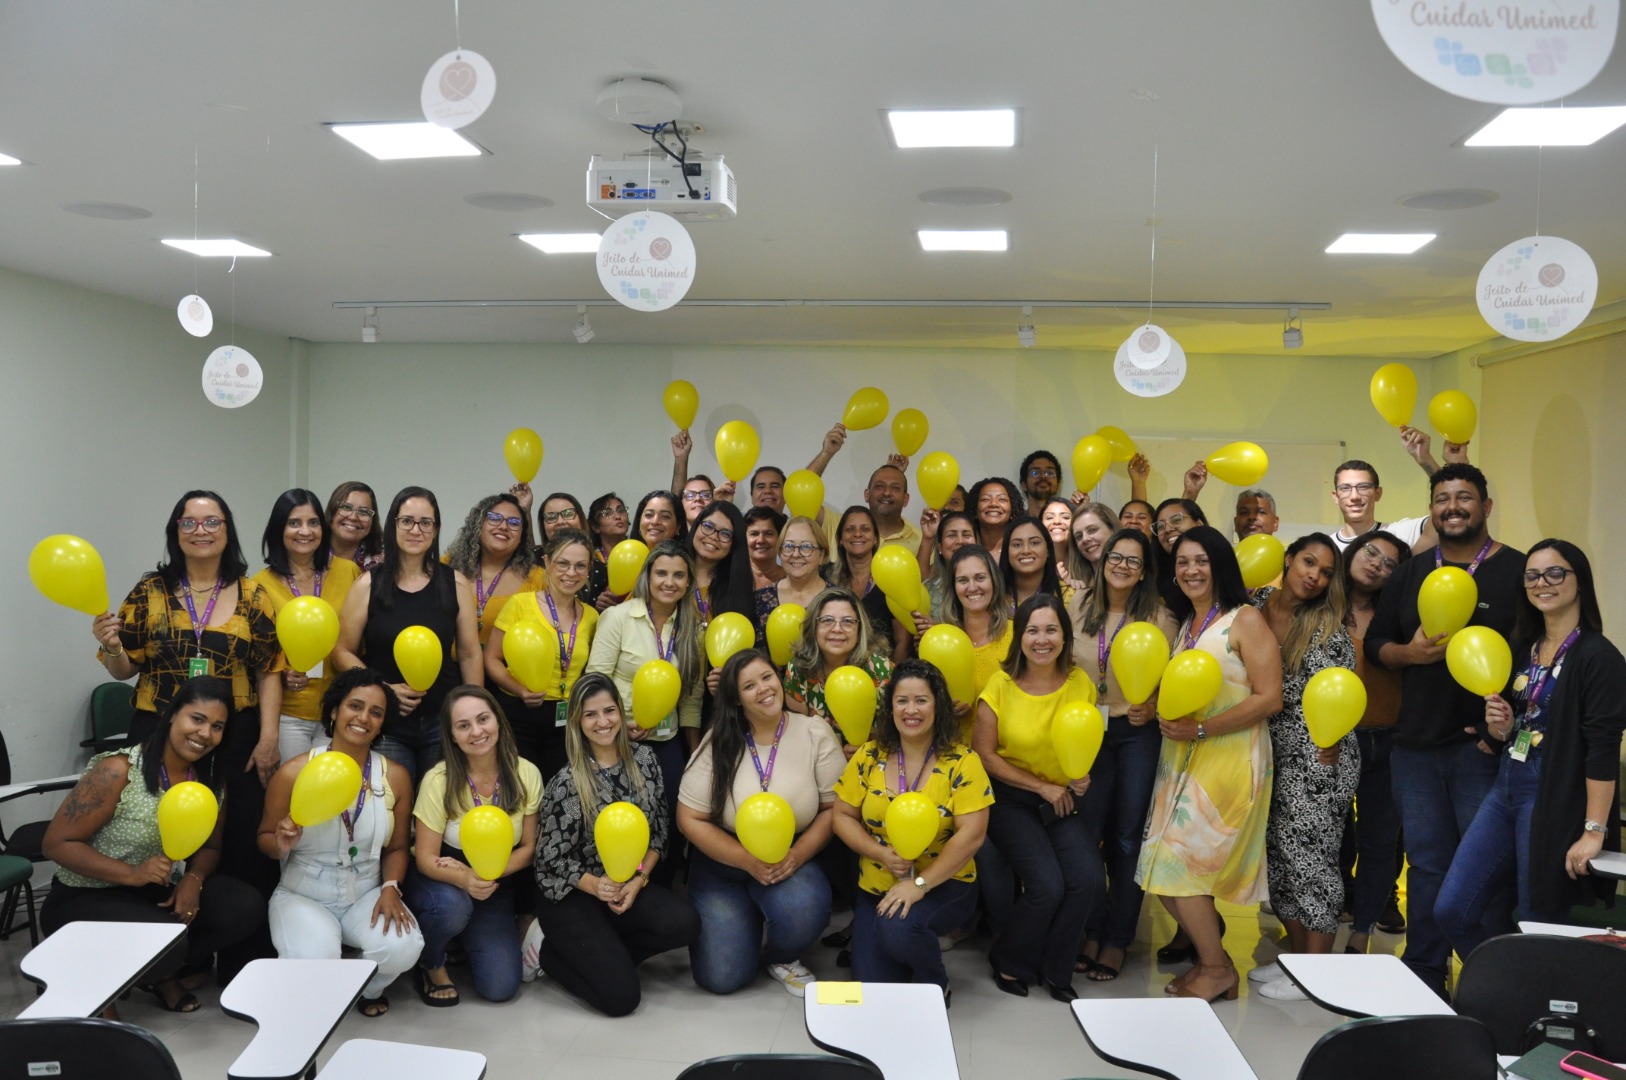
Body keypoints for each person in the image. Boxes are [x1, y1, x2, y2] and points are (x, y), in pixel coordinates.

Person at [90, 489, 284, 954]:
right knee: (157, 837)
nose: (201, 531)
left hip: (232, 734)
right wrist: (112, 647)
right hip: (158, 730)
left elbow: (270, 670)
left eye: (212, 521)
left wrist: (269, 738)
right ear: (175, 531)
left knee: (236, 837)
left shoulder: (254, 594)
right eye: (189, 522)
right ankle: (168, 957)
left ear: (227, 531)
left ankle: (237, 953)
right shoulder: (149, 591)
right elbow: (123, 668)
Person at [1365, 463, 1523, 996]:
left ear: (1486, 506)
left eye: (1464, 497)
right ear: (1431, 509)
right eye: (1442, 498)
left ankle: (1490, 983)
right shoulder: (1410, 573)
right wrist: (1408, 653)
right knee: (1427, 866)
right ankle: (1425, 975)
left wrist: (1494, 733)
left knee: (1484, 870)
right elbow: (1376, 645)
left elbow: (1532, 656)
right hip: (1413, 746)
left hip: (1484, 749)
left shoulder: (1516, 571)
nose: (1452, 507)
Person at [1437, 541, 1626, 951]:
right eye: (1533, 576)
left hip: (1553, 795)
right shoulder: (1527, 647)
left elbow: (1602, 750)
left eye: (1555, 573)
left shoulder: (1599, 657)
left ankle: (1537, 989)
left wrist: (1594, 831)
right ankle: (1506, 983)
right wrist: (1504, 727)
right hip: (1506, 784)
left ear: (1580, 580)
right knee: (1452, 910)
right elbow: (1529, 722)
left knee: (1538, 920)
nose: (1542, 583)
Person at [40, 677, 265, 1014]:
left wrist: (193, 880)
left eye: (217, 726)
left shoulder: (210, 782)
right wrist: (130, 873)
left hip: (154, 891)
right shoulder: (118, 770)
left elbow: (211, 847)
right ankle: (97, 977)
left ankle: (157, 970)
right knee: (166, 945)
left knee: (243, 907)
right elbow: (56, 843)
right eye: (197, 719)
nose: (205, 733)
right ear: (172, 715)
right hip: (86, 894)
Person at [1136, 526, 1282, 1004]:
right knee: (1158, 869)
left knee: (1180, 867)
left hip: (1228, 759)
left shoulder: (1245, 619)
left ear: (1220, 566)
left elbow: (1270, 698)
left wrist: (1202, 730)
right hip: (1182, 758)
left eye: (1201, 560)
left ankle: (1218, 969)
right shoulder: (1188, 624)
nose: (1191, 570)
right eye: (1182, 562)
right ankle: (1209, 962)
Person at [678, 649, 845, 996]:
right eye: (749, 686)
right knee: (721, 978)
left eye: (767, 677)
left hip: (788, 856)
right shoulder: (719, 739)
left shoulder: (814, 732)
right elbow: (689, 818)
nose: (764, 689)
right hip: (725, 861)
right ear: (736, 700)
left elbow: (834, 809)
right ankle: (743, 920)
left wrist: (797, 855)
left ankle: (780, 956)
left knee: (805, 905)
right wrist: (746, 861)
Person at [259, 669, 423, 1017]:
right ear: (334, 710)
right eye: (355, 706)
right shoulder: (294, 772)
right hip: (304, 895)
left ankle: (366, 989)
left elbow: (396, 848)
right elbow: (265, 839)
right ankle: (326, 975)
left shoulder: (395, 776)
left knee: (404, 947)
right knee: (315, 966)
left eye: (375, 712)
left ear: (382, 724)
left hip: (365, 894)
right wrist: (281, 843)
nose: (363, 718)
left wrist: (391, 888)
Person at [533, 673, 700, 1016]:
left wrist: (638, 880)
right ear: (577, 722)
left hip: (627, 881)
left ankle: (607, 955)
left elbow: (659, 833)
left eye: (609, 711)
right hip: (575, 892)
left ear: (621, 713)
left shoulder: (646, 760)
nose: (602, 721)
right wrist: (597, 886)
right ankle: (552, 956)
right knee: (621, 999)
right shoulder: (568, 782)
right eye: (590, 714)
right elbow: (550, 861)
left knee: (686, 923)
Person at [833, 659, 992, 995]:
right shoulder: (869, 755)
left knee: (898, 929)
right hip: (878, 884)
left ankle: (935, 983)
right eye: (902, 701)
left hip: (944, 883)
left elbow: (972, 835)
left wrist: (920, 884)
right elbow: (842, 816)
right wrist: (879, 852)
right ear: (890, 708)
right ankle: (903, 946)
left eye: (921, 700)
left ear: (938, 706)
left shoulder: (964, 761)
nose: (911, 710)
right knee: (873, 986)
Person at [1248, 533, 1359, 1001]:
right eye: (1308, 563)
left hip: (1318, 757)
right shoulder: (1255, 605)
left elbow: (1342, 694)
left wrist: (1328, 741)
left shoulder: (1327, 627)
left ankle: (1317, 975)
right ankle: (1298, 963)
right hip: (1268, 754)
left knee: (1311, 865)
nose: (1315, 576)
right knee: (1280, 864)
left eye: (1326, 571)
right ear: (1288, 559)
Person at [973, 594, 1099, 1001]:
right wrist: (1041, 786)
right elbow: (984, 755)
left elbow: (1083, 740)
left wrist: (1082, 777)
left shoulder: (1081, 684)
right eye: (1032, 630)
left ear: (1064, 635)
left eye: (1051, 630)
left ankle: (1057, 969)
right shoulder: (1000, 685)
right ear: (1019, 638)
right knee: (1047, 885)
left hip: (1062, 799)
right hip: (1011, 799)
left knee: (1087, 879)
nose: (1042, 640)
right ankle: (1009, 960)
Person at [1070, 528, 1176, 982]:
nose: (1122, 566)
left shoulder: (1160, 617)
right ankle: (1090, 930)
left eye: (1134, 560)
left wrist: (1153, 703)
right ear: (1103, 559)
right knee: (1087, 833)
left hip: (1137, 733)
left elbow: (1174, 677)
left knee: (1128, 838)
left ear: (1145, 571)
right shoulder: (1076, 605)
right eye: (1116, 556)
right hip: (1086, 732)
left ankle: (1117, 938)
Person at [333, 486, 483, 780]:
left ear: (436, 529)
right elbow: (342, 650)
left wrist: (473, 710)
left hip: (443, 720)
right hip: (386, 721)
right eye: (407, 521)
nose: (416, 530)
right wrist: (383, 689)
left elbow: (469, 653)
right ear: (393, 525)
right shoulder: (368, 584)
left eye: (425, 522)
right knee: (391, 801)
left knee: (441, 801)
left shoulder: (455, 584)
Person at [406, 686, 542, 1005]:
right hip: (442, 879)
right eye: (463, 725)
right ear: (452, 736)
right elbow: (425, 857)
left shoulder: (526, 773)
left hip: (494, 882)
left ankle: (463, 940)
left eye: (483, 719)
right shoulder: (438, 779)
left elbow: (528, 848)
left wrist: (485, 876)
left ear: (498, 721)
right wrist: (465, 878)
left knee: (500, 987)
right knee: (452, 908)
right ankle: (431, 962)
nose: (477, 732)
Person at [586, 539, 705, 829]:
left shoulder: (694, 630)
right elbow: (596, 681)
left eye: (679, 575)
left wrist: (694, 754)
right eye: (661, 573)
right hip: (615, 737)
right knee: (621, 819)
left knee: (671, 818)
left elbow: (692, 698)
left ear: (688, 582)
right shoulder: (618, 617)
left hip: (666, 737)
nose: (669, 582)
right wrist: (617, 725)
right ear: (648, 577)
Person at [1340, 529, 1411, 956]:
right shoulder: (1321, 608)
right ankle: (1322, 922)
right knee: (1330, 840)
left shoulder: (1400, 615)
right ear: (1353, 551)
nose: (1377, 565)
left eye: (1389, 564)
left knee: (1381, 843)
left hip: (1388, 743)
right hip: (1332, 741)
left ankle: (1362, 930)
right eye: (1371, 553)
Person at [254, 488, 362, 762]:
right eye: (294, 523)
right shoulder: (259, 585)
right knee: (294, 785)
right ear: (279, 529)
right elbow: (256, 655)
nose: (305, 531)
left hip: (340, 710)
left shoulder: (349, 571)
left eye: (313, 522)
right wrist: (282, 673)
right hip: (290, 714)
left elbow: (360, 639)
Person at [487, 528, 599, 781]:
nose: (571, 573)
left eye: (580, 566)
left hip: (567, 720)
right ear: (547, 562)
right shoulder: (520, 604)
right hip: (519, 714)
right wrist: (520, 690)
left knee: (561, 792)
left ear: (589, 568)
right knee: (522, 789)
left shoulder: (592, 616)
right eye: (563, 563)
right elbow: (491, 659)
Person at [784, 586, 894, 754]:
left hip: (874, 758)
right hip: (818, 758)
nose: (837, 629)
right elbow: (799, 734)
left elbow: (893, 731)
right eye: (827, 620)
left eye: (848, 621)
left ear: (860, 628)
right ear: (814, 626)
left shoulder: (879, 668)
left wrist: (862, 753)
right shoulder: (798, 667)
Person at [443, 492, 545, 647]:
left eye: (514, 522)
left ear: (522, 535)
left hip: (508, 663)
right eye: (495, 518)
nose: (503, 526)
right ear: (478, 524)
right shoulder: (446, 567)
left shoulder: (538, 579)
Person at [943, 547, 1014, 740]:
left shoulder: (1018, 636)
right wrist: (944, 709)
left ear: (994, 581)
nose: (972, 587)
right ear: (953, 588)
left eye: (980, 578)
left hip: (1007, 752)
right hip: (955, 751)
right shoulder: (942, 642)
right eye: (962, 580)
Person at [829, 505, 897, 651]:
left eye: (865, 529)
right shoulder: (826, 575)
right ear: (840, 539)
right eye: (850, 529)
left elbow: (902, 641)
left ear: (875, 539)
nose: (858, 534)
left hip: (881, 662)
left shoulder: (890, 579)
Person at [755, 516, 830, 642]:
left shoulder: (840, 601)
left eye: (806, 547)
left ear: (821, 555)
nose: (796, 554)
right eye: (789, 546)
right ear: (780, 552)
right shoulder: (759, 600)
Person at [688, 500, 756, 628]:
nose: (714, 537)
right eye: (708, 526)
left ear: (733, 544)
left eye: (725, 534)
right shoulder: (673, 573)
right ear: (696, 526)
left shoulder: (737, 587)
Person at [918, 509, 977, 622]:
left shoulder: (990, 582)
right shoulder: (929, 589)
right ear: (939, 548)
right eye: (952, 535)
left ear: (976, 542)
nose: (960, 541)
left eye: (966, 535)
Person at [1002, 515, 1067, 608]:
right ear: (1006, 551)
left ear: (1048, 550)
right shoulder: (993, 597)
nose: (1026, 551)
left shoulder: (1069, 595)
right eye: (1017, 545)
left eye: (1034, 543)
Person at [326, 481, 384, 572]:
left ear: (372, 521)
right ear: (331, 512)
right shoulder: (309, 554)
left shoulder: (385, 563)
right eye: (346, 507)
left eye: (364, 512)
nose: (353, 517)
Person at [585, 491, 630, 604]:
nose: (618, 516)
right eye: (608, 513)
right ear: (595, 526)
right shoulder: (589, 559)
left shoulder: (639, 553)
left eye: (621, 510)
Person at [864, 463, 922, 551]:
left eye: (895, 488)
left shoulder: (921, 540)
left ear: (905, 499)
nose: (887, 493)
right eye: (879, 486)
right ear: (867, 495)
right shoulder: (850, 533)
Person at [1067, 502, 1120, 598]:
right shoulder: (1073, 586)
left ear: (1112, 529)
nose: (1085, 539)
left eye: (1092, 530)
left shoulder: (1131, 575)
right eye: (1079, 536)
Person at [967, 477, 1023, 561]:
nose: (993, 504)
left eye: (1002, 499)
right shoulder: (966, 549)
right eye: (985, 499)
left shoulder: (1022, 549)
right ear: (974, 509)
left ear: (1013, 509)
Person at [743, 506, 788, 591]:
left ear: (780, 538)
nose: (761, 540)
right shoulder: (731, 578)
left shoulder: (791, 580)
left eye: (768, 534)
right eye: (754, 534)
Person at [1018, 449, 1063, 515]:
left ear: (1058, 484)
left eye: (1049, 473)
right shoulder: (1016, 521)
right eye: (1035, 473)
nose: (1043, 476)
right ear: (1024, 484)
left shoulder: (1070, 520)